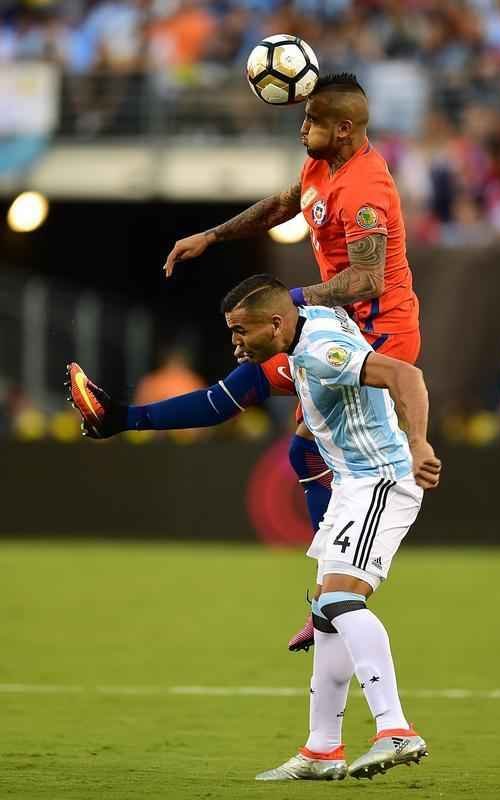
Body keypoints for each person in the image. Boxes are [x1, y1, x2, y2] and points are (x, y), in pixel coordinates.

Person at [66, 274, 440, 782]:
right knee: (328, 615)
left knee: (338, 602)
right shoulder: (304, 327)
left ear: (276, 323)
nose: (236, 343)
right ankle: (321, 750)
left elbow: (405, 375)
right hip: (353, 484)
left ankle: (394, 729)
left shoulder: (320, 350)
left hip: (381, 479)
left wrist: (419, 444)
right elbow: (220, 401)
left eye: (242, 331)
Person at [162, 72, 421, 651]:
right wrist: (212, 236)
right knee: (302, 447)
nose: (302, 128)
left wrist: (292, 301)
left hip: (380, 334)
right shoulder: (320, 167)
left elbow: (369, 279)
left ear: (344, 128)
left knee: (328, 449)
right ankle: (329, 594)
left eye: (312, 121)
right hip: (340, 326)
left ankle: (337, 595)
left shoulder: (365, 189)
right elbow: (283, 205)